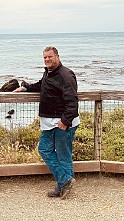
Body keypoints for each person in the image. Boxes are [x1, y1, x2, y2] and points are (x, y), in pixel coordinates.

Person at [14, 46, 80, 199]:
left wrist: (65, 121)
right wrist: (25, 88)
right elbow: (41, 85)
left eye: (50, 57)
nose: (47, 59)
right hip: (50, 122)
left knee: (63, 155)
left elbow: (72, 101)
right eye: (45, 57)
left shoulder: (66, 75)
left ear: (57, 56)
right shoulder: (48, 72)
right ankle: (64, 182)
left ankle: (63, 184)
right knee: (45, 149)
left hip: (62, 123)